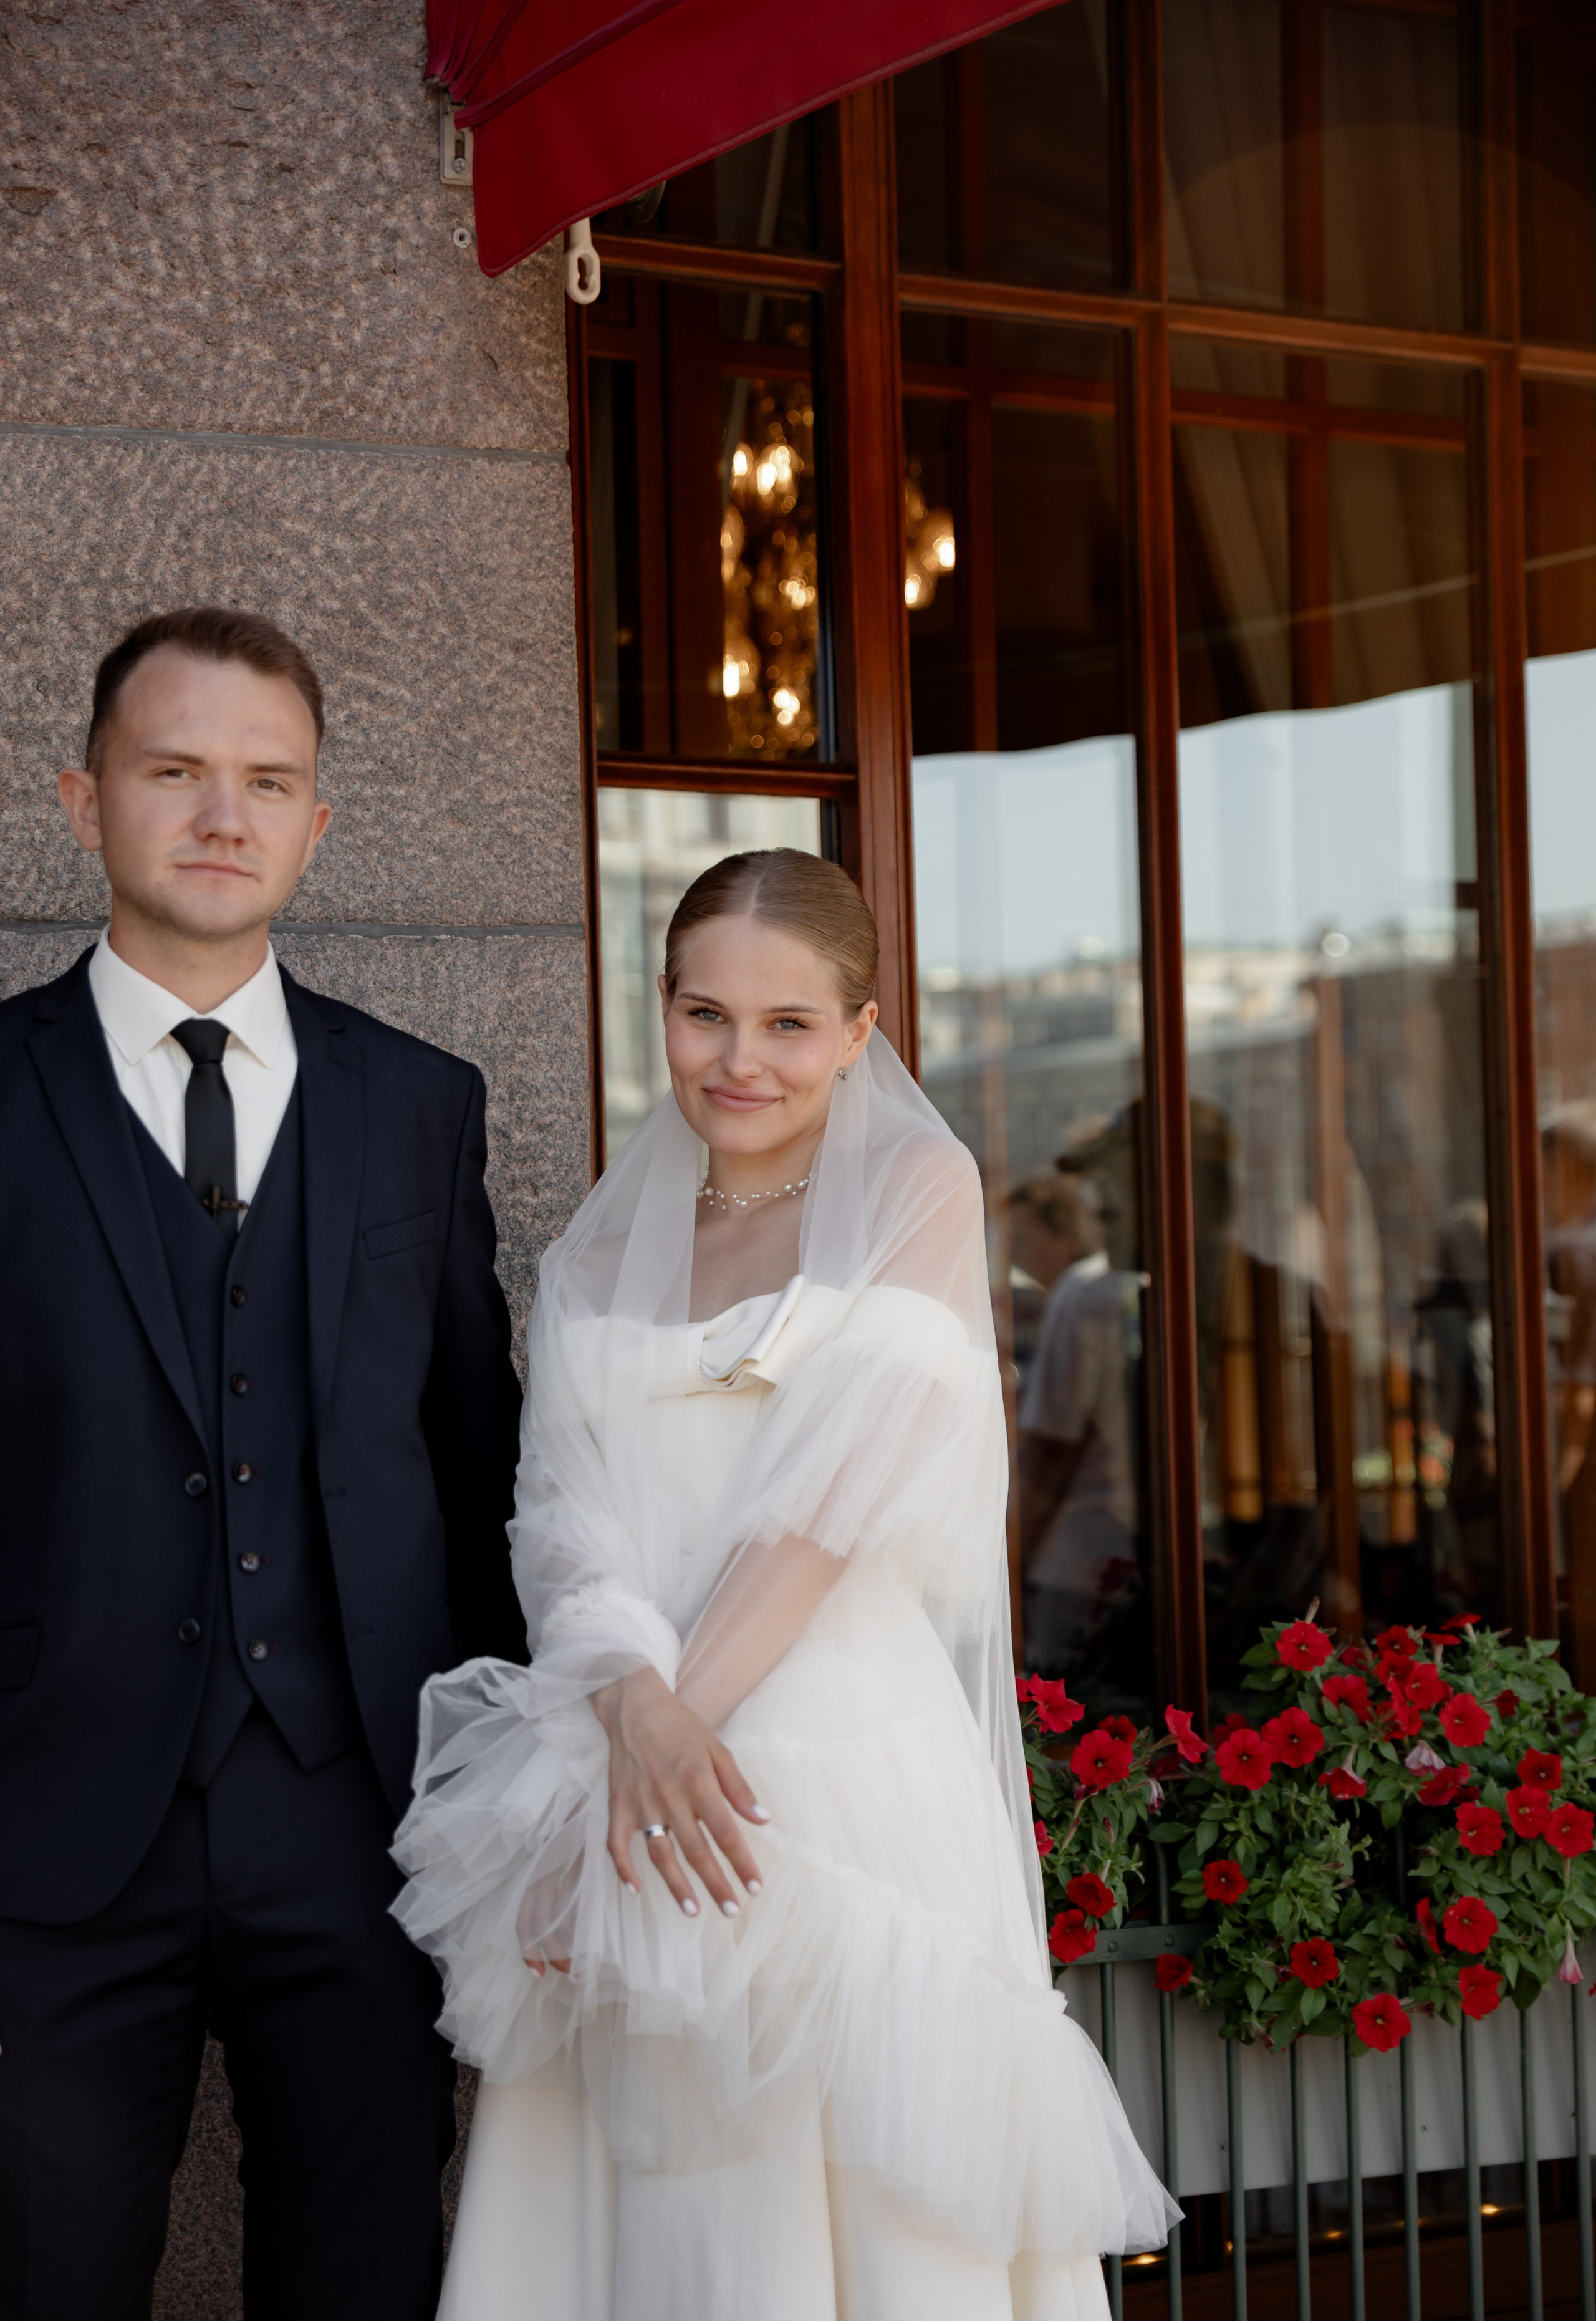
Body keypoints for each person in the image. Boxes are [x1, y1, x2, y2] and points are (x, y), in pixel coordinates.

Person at [393, 849, 1176, 2320]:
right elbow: (557, 1518)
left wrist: (663, 1746)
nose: (737, 1058)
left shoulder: (917, 1193)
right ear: (664, 1011)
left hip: (834, 1778)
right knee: (659, 2215)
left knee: (868, 2207)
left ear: (860, 1030)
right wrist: (627, 1715)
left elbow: (819, 1514)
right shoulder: (593, 1249)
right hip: (624, 1751)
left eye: (788, 1024)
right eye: (703, 1015)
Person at [0, 609, 525, 2319]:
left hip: (356, 1821)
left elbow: (476, 1457)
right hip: (47, 1834)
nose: (222, 813)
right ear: (83, 799)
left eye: (266, 780)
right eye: (175, 771)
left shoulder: (420, 1106)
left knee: (369, 2277)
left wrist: (506, 1810)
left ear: (317, 822)